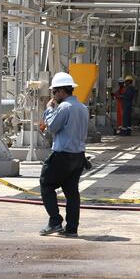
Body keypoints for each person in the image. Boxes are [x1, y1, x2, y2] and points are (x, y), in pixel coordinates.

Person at [38, 71, 89, 238]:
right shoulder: (83, 108)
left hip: (62, 156)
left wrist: (49, 110)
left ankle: (55, 221)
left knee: (46, 185)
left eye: (54, 92)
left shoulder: (64, 107)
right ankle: (72, 228)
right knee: (71, 192)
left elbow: (52, 127)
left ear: (61, 91)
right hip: (78, 156)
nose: (53, 96)